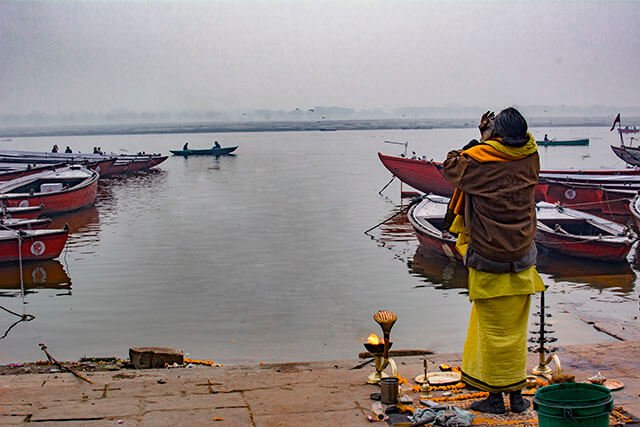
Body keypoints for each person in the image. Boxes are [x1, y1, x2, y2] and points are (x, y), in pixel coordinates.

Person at [442, 107, 544, 414]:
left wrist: (482, 138)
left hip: (489, 258)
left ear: (496, 135)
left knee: (491, 332)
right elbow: (528, 142)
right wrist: (494, 135)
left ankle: (496, 399)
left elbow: (450, 165)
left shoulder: (478, 165)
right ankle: (517, 396)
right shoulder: (531, 159)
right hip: (523, 257)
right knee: (515, 333)